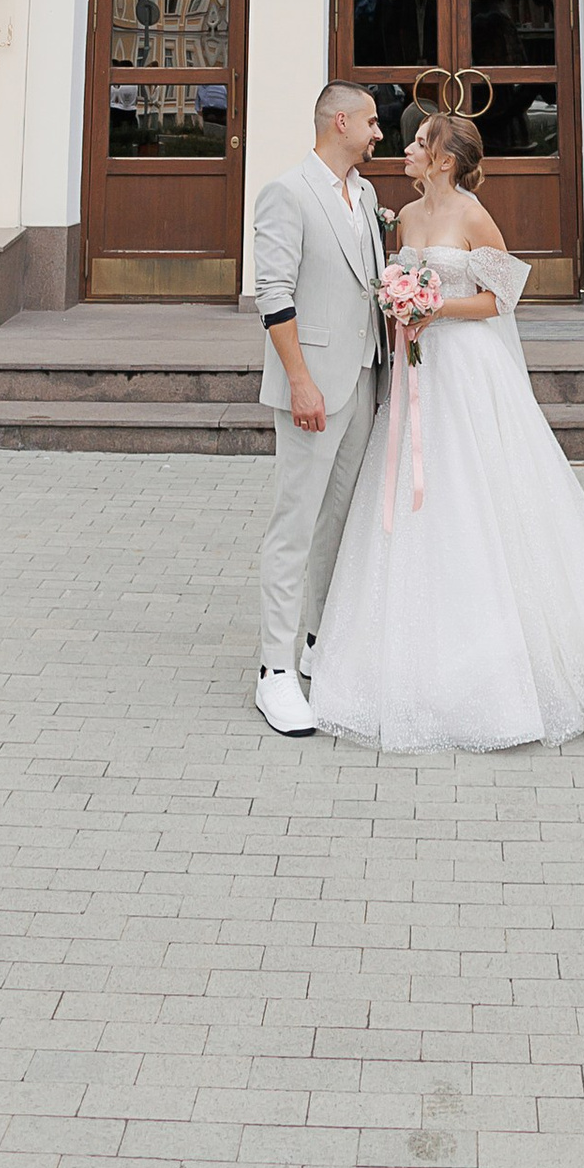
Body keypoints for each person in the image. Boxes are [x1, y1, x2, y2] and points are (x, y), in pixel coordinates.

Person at [309, 111, 584, 756]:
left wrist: (431, 305)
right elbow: (396, 281)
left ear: (446, 159)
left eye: (422, 143)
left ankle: (504, 652)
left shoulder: (473, 216)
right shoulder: (406, 219)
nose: (409, 149)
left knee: (481, 491)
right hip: (421, 377)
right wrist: (400, 304)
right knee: (420, 497)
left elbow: (501, 299)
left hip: (468, 370)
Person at [250, 79, 386, 735]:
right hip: (313, 386)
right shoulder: (286, 192)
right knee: (295, 523)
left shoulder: (365, 195)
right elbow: (272, 297)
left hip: (362, 380)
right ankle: (274, 672)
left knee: (340, 520)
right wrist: (300, 381)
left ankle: (317, 639)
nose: (378, 133)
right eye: (371, 122)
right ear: (339, 123)